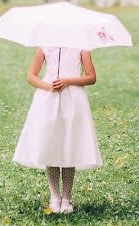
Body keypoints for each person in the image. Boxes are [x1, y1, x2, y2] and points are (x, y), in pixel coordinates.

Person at [13, 47, 102, 214]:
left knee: (69, 144)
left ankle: (67, 197)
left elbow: (91, 77)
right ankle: (55, 196)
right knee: (51, 143)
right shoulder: (45, 45)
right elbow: (31, 76)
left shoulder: (82, 46)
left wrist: (68, 81)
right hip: (48, 100)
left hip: (73, 100)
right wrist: (48, 86)